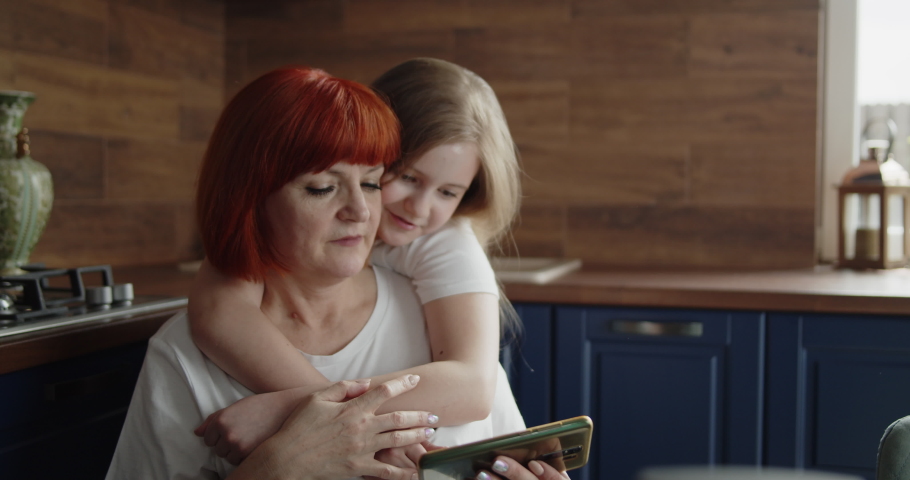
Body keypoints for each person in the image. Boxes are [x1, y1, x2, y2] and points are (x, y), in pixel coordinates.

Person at [105, 65, 534, 480]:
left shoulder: (446, 318)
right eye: (322, 187)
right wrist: (276, 466)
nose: (360, 211)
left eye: (370, 182)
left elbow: (480, 398)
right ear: (250, 200)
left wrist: (295, 409)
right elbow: (218, 304)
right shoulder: (187, 353)